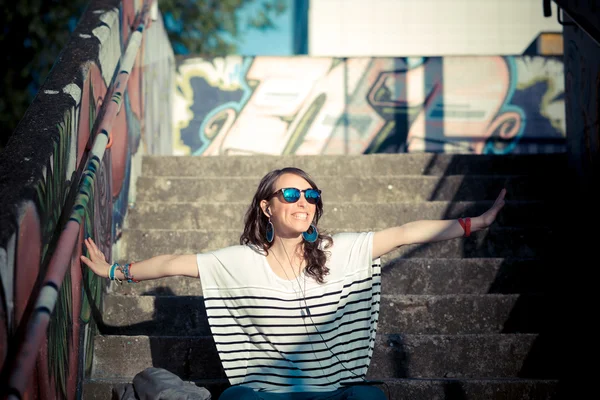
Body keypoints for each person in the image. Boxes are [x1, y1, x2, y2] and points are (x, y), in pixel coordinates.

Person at [81, 166, 506, 400]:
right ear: (267, 207)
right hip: (267, 396)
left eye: (310, 195)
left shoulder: (341, 250)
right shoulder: (240, 261)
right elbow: (174, 262)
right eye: (290, 195)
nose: (303, 201)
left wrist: (475, 223)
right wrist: (114, 272)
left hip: (333, 394)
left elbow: (408, 232)